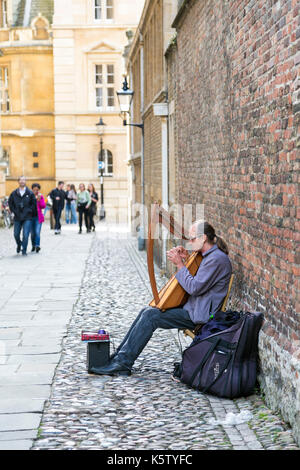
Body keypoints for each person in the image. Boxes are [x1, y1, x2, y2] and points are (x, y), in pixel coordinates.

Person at [89, 220, 232, 376]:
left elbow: (194, 288)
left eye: (192, 239)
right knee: (147, 310)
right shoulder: (208, 256)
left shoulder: (216, 259)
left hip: (200, 316)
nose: (190, 243)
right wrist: (184, 260)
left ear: (203, 238)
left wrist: (179, 265)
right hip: (193, 307)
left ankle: (123, 363)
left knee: (151, 316)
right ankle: (118, 356)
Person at [8, 176, 37, 256]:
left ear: (26, 182)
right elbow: (10, 203)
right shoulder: (14, 193)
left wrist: (29, 211)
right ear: (18, 181)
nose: (22, 181)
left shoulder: (30, 193)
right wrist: (14, 211)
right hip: (17, 217)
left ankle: (24, 250)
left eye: (24, 180)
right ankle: (19, 244)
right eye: (20, 180)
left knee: (26, 234)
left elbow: (34, 204)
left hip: (27, 217)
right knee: (16, 234)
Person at [30, 183, 46, 253]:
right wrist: (34, 199)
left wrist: (39, 200)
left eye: (37, 190)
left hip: (38, 217)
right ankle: (33, 245)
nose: (35, 191)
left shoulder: (40, 196)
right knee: (32, 233)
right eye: (34, 190)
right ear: (32, 189)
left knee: (37, 232)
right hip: (30, 217)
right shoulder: (29, 196)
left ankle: (37, 245)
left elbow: (43, 206)